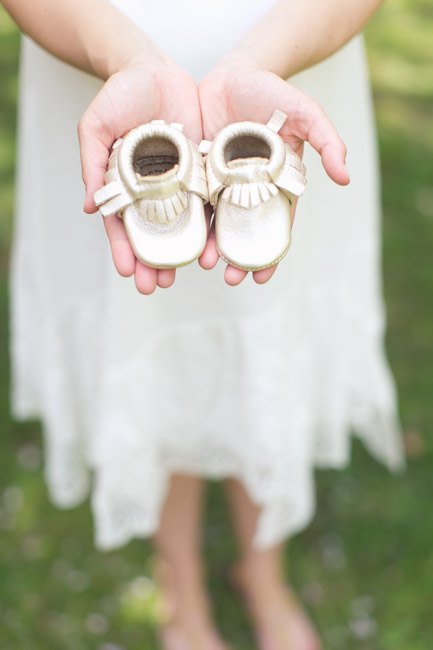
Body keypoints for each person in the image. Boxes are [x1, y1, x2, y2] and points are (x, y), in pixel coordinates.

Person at [3, 0, 404, 648]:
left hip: (290, 51)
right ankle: (180, 583)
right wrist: (122, 57)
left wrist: (263, 58)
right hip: (94, 52)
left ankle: (263, 573)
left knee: (268, 326)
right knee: (147, 334)